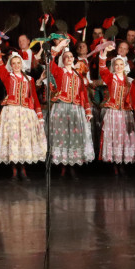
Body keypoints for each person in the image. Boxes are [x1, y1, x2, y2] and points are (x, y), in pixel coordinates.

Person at [0, 38, 45, 180]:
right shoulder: (8, 76)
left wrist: (39, 115)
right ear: (11, 64)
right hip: (12, 111)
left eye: (18, 62)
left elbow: (35, 98)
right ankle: (14, 170)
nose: (16, 65)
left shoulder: (30, 79)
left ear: (22, 64)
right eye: (13, 63)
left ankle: (24, 169)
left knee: (24, 141)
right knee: (14, 141)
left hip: (26, 112)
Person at [48, 39, 94, 177]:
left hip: (75, 109)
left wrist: (87, 110)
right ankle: (63, 166)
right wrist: (58, 48)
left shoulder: (78, 75)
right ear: (63, 60)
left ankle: (72, 165)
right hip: (61, 107)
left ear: (74, 59)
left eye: (71, 57)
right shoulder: (59, 71)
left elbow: (83, 94)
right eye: (66, 57)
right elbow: (50, 63)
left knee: (74, 137)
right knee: (62, 137)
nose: (69, 59)